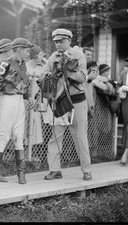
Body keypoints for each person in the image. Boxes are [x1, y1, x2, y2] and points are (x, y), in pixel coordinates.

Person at [40, 28, 92, 181]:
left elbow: (83, 77)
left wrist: (66, 72)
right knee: (55, 137)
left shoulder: (78, 55)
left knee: (80, 137)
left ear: (69, 41)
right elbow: (43, 75)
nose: (58, 44)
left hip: (77, 101)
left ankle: (86, 171)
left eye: (61, 41)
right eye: (56, 41)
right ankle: (55, 170)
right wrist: (50, 75)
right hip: (60, 102)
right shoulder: (52, 57)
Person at [0, 37, 35, 184]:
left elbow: (23, 84)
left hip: (19, 101)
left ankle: (21, 173)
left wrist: (29, 97)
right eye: (27, 51)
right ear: (19, 49)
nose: (29, 54)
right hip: (7, 100)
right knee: (4, 136)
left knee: (19, 136)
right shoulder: (5, 63)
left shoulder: (23, 65)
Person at [25, 45, 46, 160]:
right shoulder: (26, 67)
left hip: (36, 99)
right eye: (41, 55)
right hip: (26, 99)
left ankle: (32, 155)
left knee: (35, 126)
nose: (43, 57)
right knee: (24, 126)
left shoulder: (41, 67)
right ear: (35, 55)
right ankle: (23, 155)